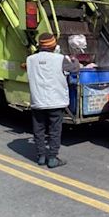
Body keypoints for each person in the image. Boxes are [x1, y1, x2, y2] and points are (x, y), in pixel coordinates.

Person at [26, 33, 80, 168]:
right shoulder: (61, 59)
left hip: (37, 101)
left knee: (39, 130)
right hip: (56, 101)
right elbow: (75, 69)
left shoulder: (30, 59)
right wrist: (74, 59)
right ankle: (53, 158)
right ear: (54, 46)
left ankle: (41, 156)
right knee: (54, 130)